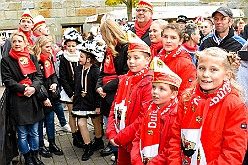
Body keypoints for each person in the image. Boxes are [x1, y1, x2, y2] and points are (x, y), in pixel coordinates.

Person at [167, 47, 248, 164]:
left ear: (227, 75)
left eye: (213, 70)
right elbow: (175, 137)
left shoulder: (234, 105)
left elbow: (233, 152)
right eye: (201, 68)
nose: (205, 74)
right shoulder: (186, 98)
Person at [106, 31, 153, 165]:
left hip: (137, 142)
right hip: (121, 141)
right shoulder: (125, 80)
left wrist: (120, 137)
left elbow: (143, 118)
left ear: (147, 60)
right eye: (129, 57)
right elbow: (114, 107)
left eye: (136, 58)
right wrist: (111, 132)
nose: (131, 62)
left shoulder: (148, 83)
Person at [1, 31, 44, 165]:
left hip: (33, 99)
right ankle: (27, 157)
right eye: (14, 42)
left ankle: (35, 155)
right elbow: (8, 80)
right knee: (23, 133)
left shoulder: (31, 57)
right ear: (11, 44)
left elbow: (38, 76)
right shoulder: (6, 61)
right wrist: (24, 89)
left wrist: (33, 88)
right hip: (17, 101)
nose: (17, 44)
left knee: (34, 132)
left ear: (25, 43)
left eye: (20, 41)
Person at [131, 58, 182, 165]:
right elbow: (137, 138)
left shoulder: (176, 115)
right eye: (154, 87)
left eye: (161, 89)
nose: (155, 92)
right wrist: (136, 159)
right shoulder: (148, 108)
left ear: (173, 94)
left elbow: (169, 148)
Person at [96, 19, 129, 161]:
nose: (102, 37)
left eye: (103, 33)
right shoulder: (108, 50)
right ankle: (115, 153)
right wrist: (98, 86)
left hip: (118, 92)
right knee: (109, 125)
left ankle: (119, 156)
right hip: (106, 93)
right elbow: (102, 72)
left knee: (118, 126)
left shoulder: (125, 48)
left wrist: (105, 87)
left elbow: (126, 74)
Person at [32, 15, 71, 133]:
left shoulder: (48, 56)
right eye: (45, 27)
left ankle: (61, 125)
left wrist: (54, 82)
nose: (47, 28)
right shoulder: (36, 59)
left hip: (51, 85)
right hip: (42, 89)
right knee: (46, 113)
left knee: (56, 104)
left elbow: (53, 71)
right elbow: (37, 78)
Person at [72, 39, 105, 161]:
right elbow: (76, 85)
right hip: (80, 102)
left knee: (96, 122)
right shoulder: (77, 69)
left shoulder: (96, 71)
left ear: (89, 59)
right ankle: (88, 145)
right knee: (81, 123)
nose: (79, 59)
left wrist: (97, 105)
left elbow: (97, 89)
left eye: (81, 56)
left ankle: (98, 140)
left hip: (92, 101)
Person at [33, 36, 64, 158]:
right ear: (39, 47)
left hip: (50, 95)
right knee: (40, 123)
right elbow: (36, 81)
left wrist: (55, 84)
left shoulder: (49, 59)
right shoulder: (35, 60)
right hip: (40, 97)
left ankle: (52, 143)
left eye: (50, 46)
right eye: (47, 47)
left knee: (50, 121)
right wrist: (43, 97)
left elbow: (53, 76)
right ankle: (41, 146)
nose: (50, 49)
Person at [59, 27, 85, 147]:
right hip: (69, 90)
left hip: (80, 90)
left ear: (77, 46)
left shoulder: (80, 57)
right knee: (72, 113)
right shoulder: (64, 58)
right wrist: (70, 93)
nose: (71, 48)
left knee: (80, 112)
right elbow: (62, 77)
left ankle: (81, 133)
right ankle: (74, 135)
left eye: (73, 45)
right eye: (68, 46)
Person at [156, 23, 196, 96]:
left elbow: (185, 93)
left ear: (180, 41)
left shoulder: (186, 64)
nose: (168, 41)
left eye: (173, 38)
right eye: (165, 37)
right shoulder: (157, 58)